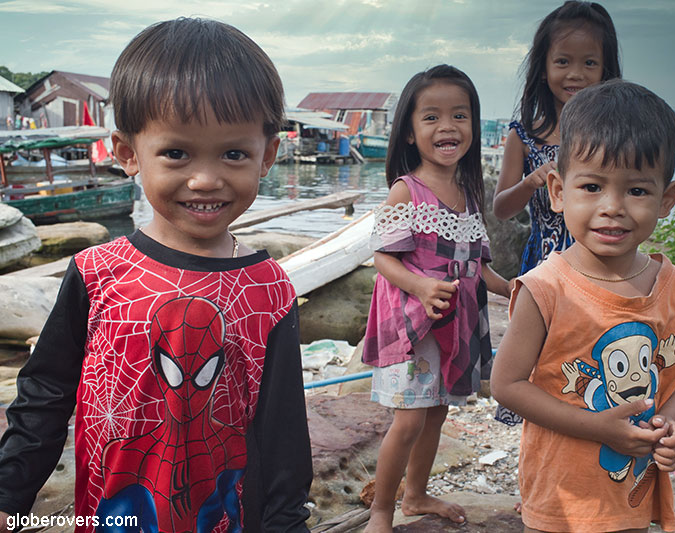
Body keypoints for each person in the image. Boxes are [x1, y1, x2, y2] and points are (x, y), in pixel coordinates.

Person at [0, 18, 312, 532]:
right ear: (128, 154)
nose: (206, 178)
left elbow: (283, 437)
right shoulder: (97, 273)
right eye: (176, 153)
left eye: (234, 153)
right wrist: (9, 498)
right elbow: (44, 397)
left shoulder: (269, 290)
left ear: (267, 156)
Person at [490, 79, 675, 533]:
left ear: (666, 200)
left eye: (637, 191)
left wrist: (670, 424)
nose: (613, 207)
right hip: (561, 498)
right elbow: (506, 385)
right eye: (591, 186)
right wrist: (598, 428)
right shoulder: (545, 289)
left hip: (632, 493)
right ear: (558, 190)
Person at [361, 64, 512, 533]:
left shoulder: (467, 194)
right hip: (414, 326)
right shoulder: (408, 190)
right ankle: (381, 511)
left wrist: (518, 288)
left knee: (437, 415)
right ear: (409, 131)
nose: (447, 127)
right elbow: (382, 258)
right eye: (431, 117)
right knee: (407, 422)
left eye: (459, 116)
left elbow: (477, 267)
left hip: (454, 329)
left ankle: (417, 494)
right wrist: (421, 286)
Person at [493, 0, 622, 427]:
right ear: (542, 67)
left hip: (601, 265)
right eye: (562, 61)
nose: (576, 74)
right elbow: (501, 207)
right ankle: (538, 472)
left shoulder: (614, 134)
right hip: (545, 267)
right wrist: (532, 181)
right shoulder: (524, 135)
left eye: (590, 62)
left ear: (606, 69)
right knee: (539, 369)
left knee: (595, 363)